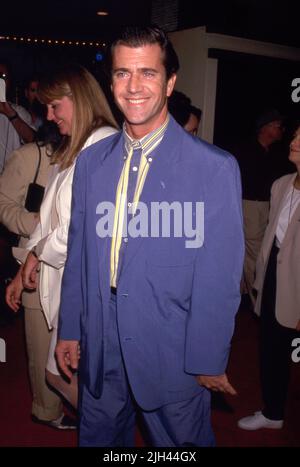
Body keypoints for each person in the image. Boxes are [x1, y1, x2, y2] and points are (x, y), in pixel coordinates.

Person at [56, 26, 244, 447]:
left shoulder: (213, 168)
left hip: (171, 348)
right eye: (123, 73)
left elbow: (219, 276)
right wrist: (71, 326)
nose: (134, 86)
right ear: (111, 82)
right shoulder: (90, 163)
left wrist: (208, 356)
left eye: (148, 73)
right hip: (100, 340)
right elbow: (80, 255)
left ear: (170, 81)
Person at [8, 64, 118, 417]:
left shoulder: (103, 145)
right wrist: (28, 258)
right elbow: (47, 218)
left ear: (80, 99)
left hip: (90, 287)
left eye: (55, 106)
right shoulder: (76, 145)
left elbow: (76, 228)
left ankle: (108, 429)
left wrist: (36, 255)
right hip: (69, 283)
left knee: (66, 375)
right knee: (58, 375)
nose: (49, 116)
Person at [0, 121, 69, 426]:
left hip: (70, 261)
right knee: (41, 343)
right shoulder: (30, 156)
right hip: (34, 262)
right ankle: (47, 410)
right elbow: (3, 204)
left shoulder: (83, 155)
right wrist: (38, 224)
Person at [238, 123, 300, 431]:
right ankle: (273, 412)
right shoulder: (282, 184)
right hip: (275, 278)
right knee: (271, 348)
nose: (294, 139)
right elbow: (269, 242)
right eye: (296, 134)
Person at [234, 109, 285, 306]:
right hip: (250, 206)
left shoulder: (274, 154)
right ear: (266, 127)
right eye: (278, 126)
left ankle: (244, 295)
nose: (281, 130)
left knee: (253, 252)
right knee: (255, 253)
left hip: (265, 207)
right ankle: (259, 301)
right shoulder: (244, 151)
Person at [0, 59, 36, 174]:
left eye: (3, 77)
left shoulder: (19, 112)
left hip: (10, 182)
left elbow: (33, 141)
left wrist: (10, 114)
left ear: (9, 82)